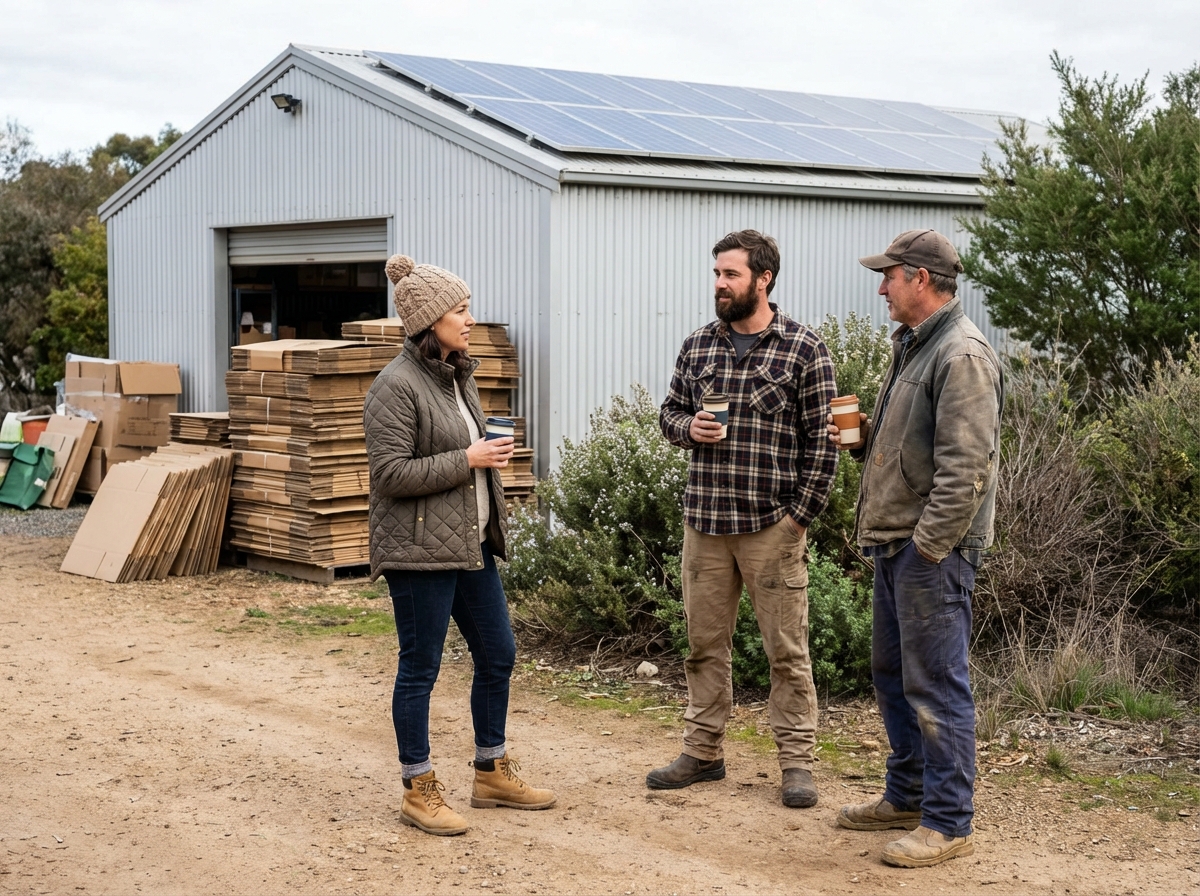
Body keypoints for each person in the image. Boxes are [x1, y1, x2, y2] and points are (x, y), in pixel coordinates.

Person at [364, 254, 556, 837]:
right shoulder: (394, 386)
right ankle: (417, 788)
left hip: (469, 545)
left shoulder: (457, 376)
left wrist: (484, 456)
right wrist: (466, 458)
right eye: (460, 310)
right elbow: (390, 474)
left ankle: (491, 770)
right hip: (419, 552)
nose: (470, 319)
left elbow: (460, 458)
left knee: (498, 652)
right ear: (429, 321)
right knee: (419, 669)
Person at [828, 229, 1002, 867]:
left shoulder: (963, 355)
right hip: (897, 543)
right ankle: (905, 797)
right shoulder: (915, 346)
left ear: (920, 279)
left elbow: (967, 469)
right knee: (895, 677)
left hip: (929, 552)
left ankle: (949, 822)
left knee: (937, 686)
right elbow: (924, 447)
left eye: (889, 276)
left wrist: (928, 551)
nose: (881, 288)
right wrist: (868, 438)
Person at [650, 230, 839, 808]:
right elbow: (669, 412)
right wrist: (688, 429)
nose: (719, 284)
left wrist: (798, 519)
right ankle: (703, 752)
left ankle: (797, 764)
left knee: (787, 651)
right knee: (704, 645)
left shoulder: (805, 349)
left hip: (770, 528)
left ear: (765, 279)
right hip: (704, 524)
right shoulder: (698, 346)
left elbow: (825, 444)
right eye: (716, 274)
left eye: (730, 275)